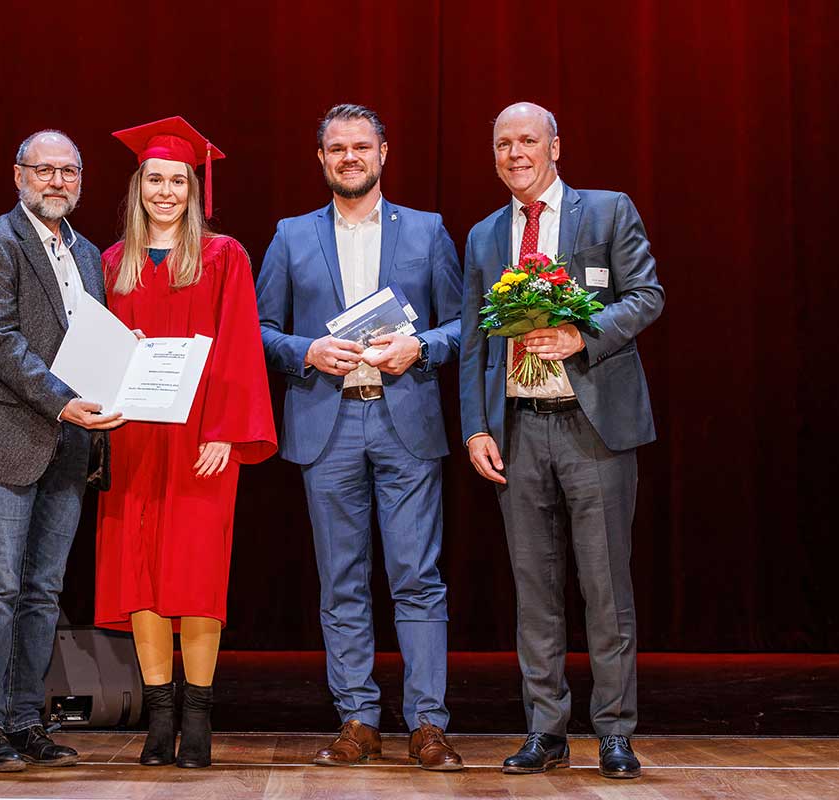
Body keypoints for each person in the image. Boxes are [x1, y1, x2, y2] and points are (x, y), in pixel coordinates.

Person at [459, 102, 665, 780]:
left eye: (527, 140)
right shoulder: (486, 235)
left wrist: (584, 333)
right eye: (502, 143)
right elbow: (472, 343)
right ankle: (544, 731)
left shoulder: (605, 212)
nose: (514, 153)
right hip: (518, 430)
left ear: (555, 145)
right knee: (534, 591)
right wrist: (476, 426)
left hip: (593, 427)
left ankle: (614, 732)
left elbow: (646, 295)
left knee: (606, 589)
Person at [255, 104, 464, 771]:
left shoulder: (428, 232)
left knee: (417, 577)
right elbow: (257, 330)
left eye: (361, 146)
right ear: (321, 158)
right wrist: (304, 352)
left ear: (384, 153)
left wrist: (420, 346)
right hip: (328, 423)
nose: (350, 157)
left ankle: (427, 722)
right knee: (341, 580)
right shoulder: (290, 236)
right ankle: (357, 718)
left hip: (406, 419)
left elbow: (464, 325)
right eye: (337, 148)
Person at [95, 116, 276, 769]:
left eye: (177, 180)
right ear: (138, 185)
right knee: (139, 574)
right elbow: (98, 352)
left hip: (202, 438)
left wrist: (229, 432)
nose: (165, 191)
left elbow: (238, 345)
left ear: (193, 189)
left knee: (195, 577)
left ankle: (197, 719)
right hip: (133, 437)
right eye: (155, 179)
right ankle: (158, 717)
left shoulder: (224, 255)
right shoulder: (114, 262)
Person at [0, 130, 124, 772]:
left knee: (44, 590)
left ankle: (27, 720)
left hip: (69, 442)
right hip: (2, 434)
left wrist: (116, 379)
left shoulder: (86, 254)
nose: (57, 181)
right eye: (44, 170)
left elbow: (94, 341)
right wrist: (61, 400)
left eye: (69, 171)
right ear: (17, 174)